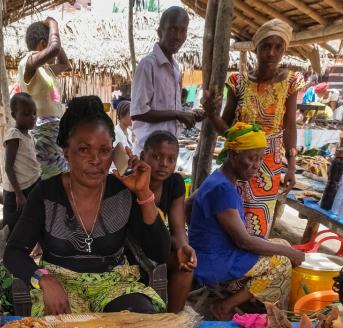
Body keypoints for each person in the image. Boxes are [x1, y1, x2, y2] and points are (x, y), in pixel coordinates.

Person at [4, 96, 170, 316]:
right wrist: (43, 279)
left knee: (140, 316)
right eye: (84, 150)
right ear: (66, 153)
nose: (96, 160)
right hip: (60, 287)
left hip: (114, 286)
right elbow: (14, 252)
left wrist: (143, 193)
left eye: (104, 150)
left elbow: (160, 252)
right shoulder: (46, 194)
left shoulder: (122, 192)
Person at [188, 122, 305, 320]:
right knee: (282, 263)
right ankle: (225, 306)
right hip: (215, 262)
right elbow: (243, 241)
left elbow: (188, 205)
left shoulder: (219, 178)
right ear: (233, 155)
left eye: (260, 159)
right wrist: (291, 253)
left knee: (282, 243)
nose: (256, 166)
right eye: (251, 158)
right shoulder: (222, 189)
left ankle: (248, 300)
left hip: (212, 253)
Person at [205, 18, 304, 238]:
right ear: (256, 49)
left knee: (258, 219)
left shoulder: (290, 82)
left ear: (284, 50)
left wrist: (291, 165)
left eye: (278, 47)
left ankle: (250, 266)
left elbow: (289, 125)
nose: (271, 53)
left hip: (269, 162)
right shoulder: (238, 83)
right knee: (229, 216)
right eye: (266, 46)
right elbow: (226, 129)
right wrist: (211, 115)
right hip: (237, 160)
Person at [130, 6, 203, 154]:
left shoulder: (175, 68)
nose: (178, 36)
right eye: (173, 29)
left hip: (168, 152)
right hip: (149, 153)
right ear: (160, 32)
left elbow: (169, 114)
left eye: (183, 30)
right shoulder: (148, 65)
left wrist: (189, 114)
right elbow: (138, 112)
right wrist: (177, 114)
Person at [139, 131, 195, 313]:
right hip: (130, 254)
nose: (164, 164)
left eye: (171, 159)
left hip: (159, 249)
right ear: (142, 156)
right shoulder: (130, 182)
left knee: (185, 266)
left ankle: (173, 320)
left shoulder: (175, 182)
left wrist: (183, 247)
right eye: (156, 156)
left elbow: (178, 229)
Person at [14, 17, 71, 179]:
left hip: (54, 134)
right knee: (53, 181)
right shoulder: (27, 63)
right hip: (43, 135)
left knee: (59, 178)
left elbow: (65, 64)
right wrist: (54, 23)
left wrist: (56, 42)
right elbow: (53, 49)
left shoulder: (45, 69)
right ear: (43, 43)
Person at [2, 93, 42, 231]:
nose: (32, 117)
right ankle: (10, 249)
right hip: (16, 190)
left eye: (34, 113)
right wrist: (19, 194)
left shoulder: (29, 135)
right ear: (14, 115)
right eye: (26, 114)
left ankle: (35, 245)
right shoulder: (14, 135)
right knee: (12, 223)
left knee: (33, 217)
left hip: (32, 183)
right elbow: (8, 167)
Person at [112, 100, 135, 174]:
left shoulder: (129, 132)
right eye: (130, 114)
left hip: (127, 170)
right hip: (117, 171)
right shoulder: (115, 132)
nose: (133, 116)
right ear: (122, 115)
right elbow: (118, 157)